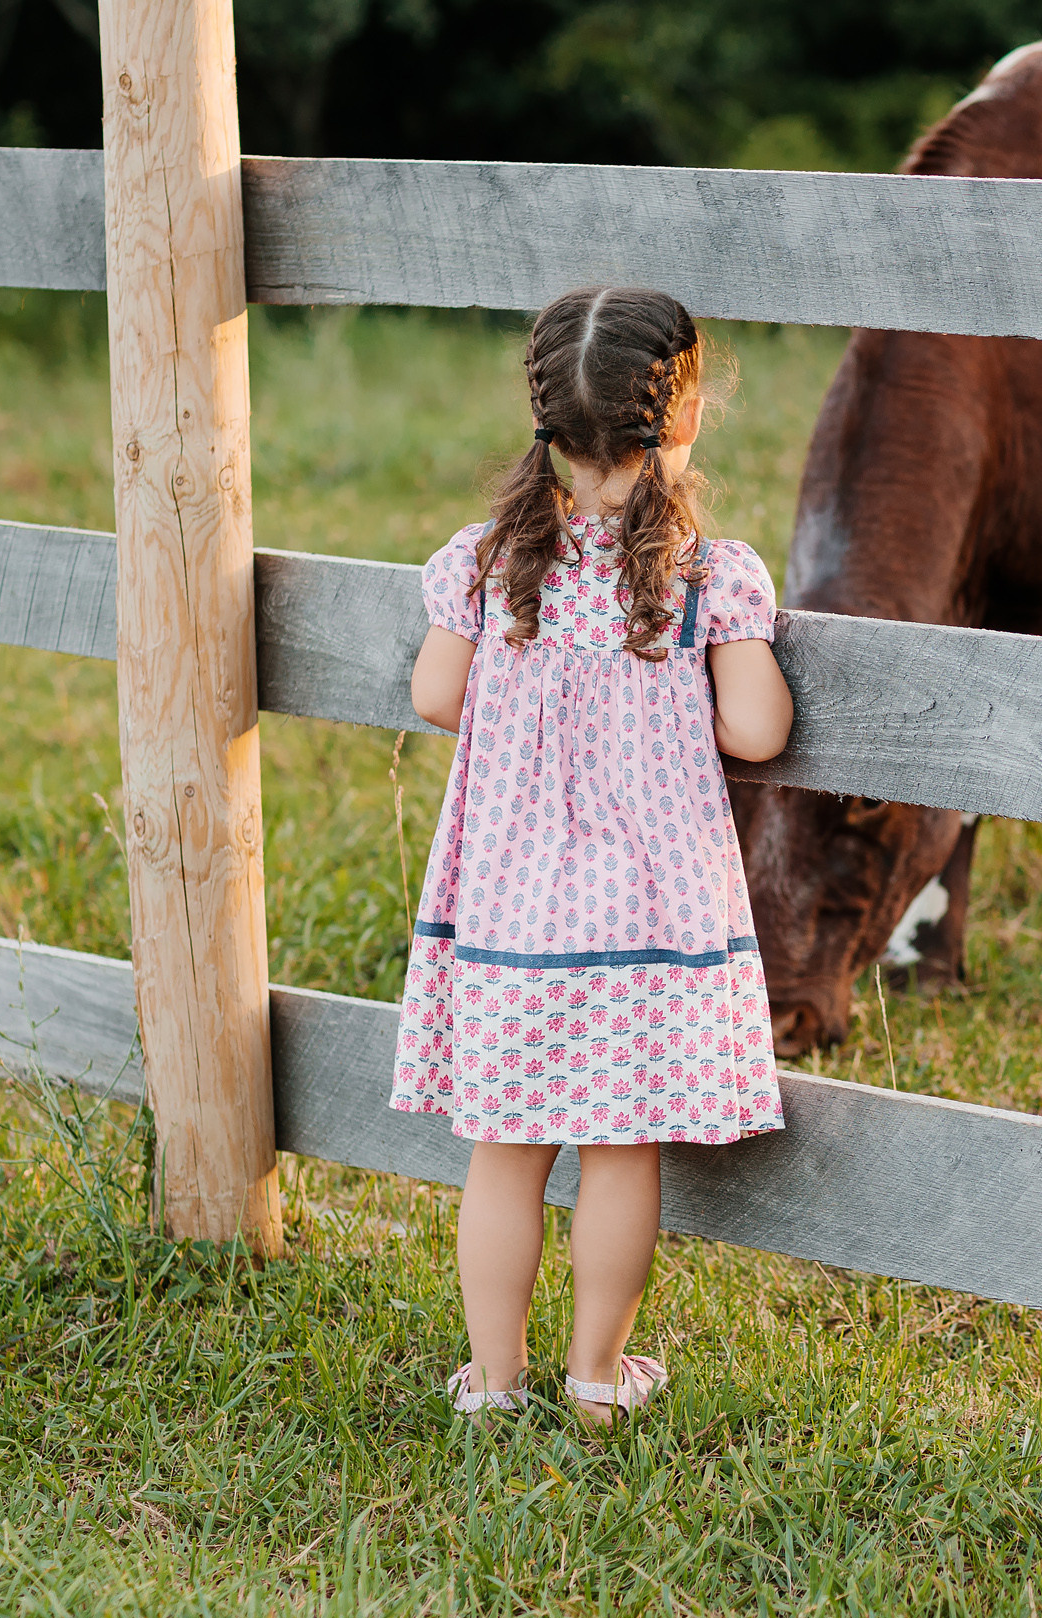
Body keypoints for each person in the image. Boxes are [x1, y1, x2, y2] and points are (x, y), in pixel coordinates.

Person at [390, 284, 793, 1425]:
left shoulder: (486, 563)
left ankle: (495, 1383)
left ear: (543, 420)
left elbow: (435, 697)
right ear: (687, 414)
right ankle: (600, 1380)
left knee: (506, 1151)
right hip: (647, 922)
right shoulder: (707, 577)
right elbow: (758, 729)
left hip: (511, 912)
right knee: (621, 1152)